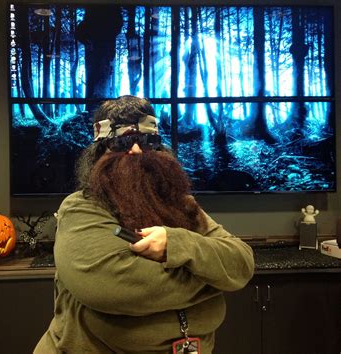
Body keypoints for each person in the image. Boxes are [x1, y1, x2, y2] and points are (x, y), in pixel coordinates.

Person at [34, 95, 255, 354]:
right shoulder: (81, 208)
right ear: (100, 151)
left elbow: (241, 262)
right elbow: (113, 289)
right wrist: (213, 277)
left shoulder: (181, 204)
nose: (137, 151)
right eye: (122, 143)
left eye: (146, 141)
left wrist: (178, 243)